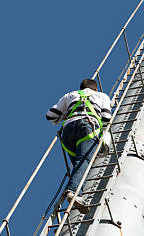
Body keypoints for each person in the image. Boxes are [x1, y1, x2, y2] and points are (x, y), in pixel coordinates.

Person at [46, 79, 112, 213]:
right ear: (96, 89)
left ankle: (75, 188)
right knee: (83, 161)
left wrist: (64, 116)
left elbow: (50, 115)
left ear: (81, 88)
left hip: (68, 131)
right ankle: (74, 192)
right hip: (88, 127)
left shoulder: (69, 95)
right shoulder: (102, 96)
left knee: (78, 164)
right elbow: (106, 117)